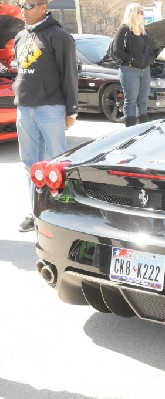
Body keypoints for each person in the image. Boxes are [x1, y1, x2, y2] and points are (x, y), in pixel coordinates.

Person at [13, 0, 78, 232]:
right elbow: (20, 72)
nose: (23, 10)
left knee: (56, 163)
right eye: (20, 5)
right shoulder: (21, 37)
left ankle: (60, 209)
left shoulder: (58, 35)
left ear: (43, 6)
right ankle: (35, 211)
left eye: (28, 5)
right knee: (30, 164)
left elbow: (69, 74)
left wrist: (72, 110)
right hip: (25, 109)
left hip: (50, 108)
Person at [111, 3, 153, 127]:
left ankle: (144, 130)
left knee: (143, 101)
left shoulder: (143, 30)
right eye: (140, 12)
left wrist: (149, 60)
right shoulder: (124, 29)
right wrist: (132, 60)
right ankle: (130, 132)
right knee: (131, 101)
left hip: (145, 70)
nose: (142, 14)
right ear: (133, 13)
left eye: (143, 12)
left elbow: (149, 50)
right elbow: (116, 50)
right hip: (129, 70)